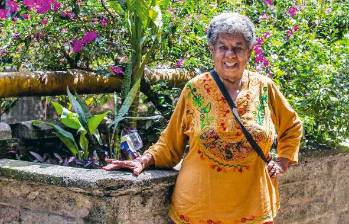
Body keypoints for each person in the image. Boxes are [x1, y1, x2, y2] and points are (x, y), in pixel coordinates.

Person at [103, 12, 302, 224]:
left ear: (249, 52)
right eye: (222, 47)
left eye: (238, 47)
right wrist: (142, 160)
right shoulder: (195, 89)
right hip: (198, 209)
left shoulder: (264, 88)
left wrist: (282, 160)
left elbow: (292, 126)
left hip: (253, 209)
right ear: (212, 50)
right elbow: (170, 144)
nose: (230, 54)